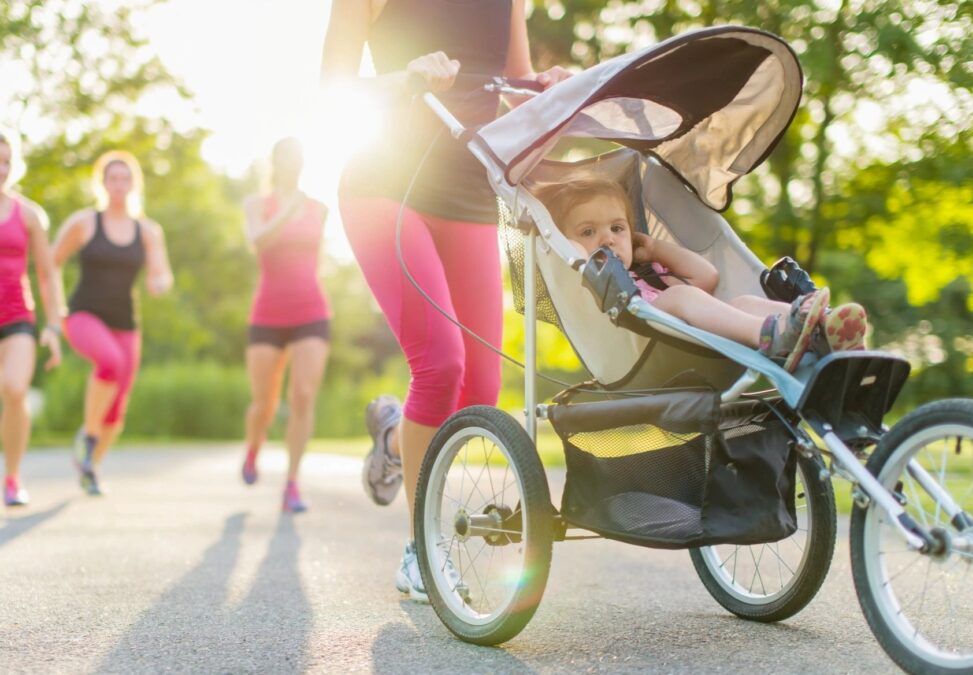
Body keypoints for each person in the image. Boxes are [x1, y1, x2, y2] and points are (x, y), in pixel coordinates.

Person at [320, 0, 573, 601]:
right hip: (386, 182)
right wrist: (405, 78)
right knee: (441, 363)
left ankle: (391, 440)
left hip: (468, 193)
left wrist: (553, 90)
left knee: (480, 388)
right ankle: (420, 551)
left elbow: (518, 90)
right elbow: (333, 86)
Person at [535, 177, 869, 367]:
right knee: (681, 294)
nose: (607, 238)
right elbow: (574, 259)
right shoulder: (590, 283)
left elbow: (707, 277)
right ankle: (771, 335)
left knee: (742, 303)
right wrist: (576, 251)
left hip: (698, 339)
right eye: (588, 232)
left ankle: (824, 327)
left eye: (617, 228)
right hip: (646, 346)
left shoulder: (648, 272)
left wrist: (654, 250)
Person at [52, 151, 173, 496]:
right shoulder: (84, 222)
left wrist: (160, 283)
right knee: (110, 362)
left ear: (134, 184)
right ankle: (88, 437)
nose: (119, 185)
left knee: (117, 410)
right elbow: (52, 263)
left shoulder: (148, 230)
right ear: (103, 183)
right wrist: (55, 308)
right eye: (112, 178)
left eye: (125, 179)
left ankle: (92, 466)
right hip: (81, 315)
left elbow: (161, 273)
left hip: (126, 323)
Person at [240, 137, 331, 514]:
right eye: (286, 154)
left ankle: (292, 483)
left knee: (304, 395)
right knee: (264, 402)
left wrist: (299, 208)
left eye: (299, 154)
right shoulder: (257, 205)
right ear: (274, 161)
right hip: (267, 313)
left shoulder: (319, 208)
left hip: (311, 308)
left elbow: (317, 256)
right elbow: (256, 242)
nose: (293, 160)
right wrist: (286, 210)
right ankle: (253, 447)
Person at [0, 129, 63, 507]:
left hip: (17, 315)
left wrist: (54, 323)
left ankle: (12, 476)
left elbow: (47, 272)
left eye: (6, 161)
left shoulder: (29, 215)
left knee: (15, 388)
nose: (1, 168)